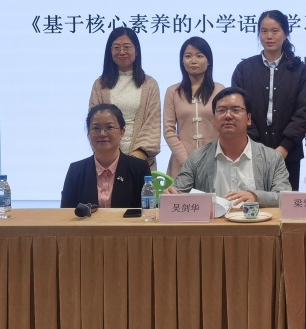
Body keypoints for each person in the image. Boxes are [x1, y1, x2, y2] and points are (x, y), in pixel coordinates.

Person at [164, 87, 292, 207]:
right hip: (214, 224)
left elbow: (284, 197)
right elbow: (177, 193)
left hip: (255, 223)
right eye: (221, 110)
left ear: (248, 119)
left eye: (236, 110)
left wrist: (256, 196)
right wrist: (170, 195)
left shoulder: (272, 158)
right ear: (214, 119)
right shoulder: (197, 158)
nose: (228, 115)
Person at [231, 10, 306, 189]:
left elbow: (303, 111)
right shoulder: (244, 68)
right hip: (249, 152)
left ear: (286, 33)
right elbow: (238, 109)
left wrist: (284, 148)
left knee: (286, 202)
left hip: (288, 154)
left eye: (275, 31)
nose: (269, 36)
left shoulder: (299, 70)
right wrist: (256, 148)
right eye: (264, 31)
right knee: (251, 201)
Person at [89, 27, 161, 169]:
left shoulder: (150, 84)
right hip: (107, 163)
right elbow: (94, 124)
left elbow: (152, 125)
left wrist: (132, 161)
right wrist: (114, 158)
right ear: (110, 51)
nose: (122, 52)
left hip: (141, 163)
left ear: (136, 50)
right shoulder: (100, 85)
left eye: (127, 47)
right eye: (116, 47)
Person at [61, 104, 151, 208]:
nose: (102, 133)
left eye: (109, 127)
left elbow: (148, 212)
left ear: (122, 132)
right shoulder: (76, 170)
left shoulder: (139, 168)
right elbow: (65, 213)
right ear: (88, 133)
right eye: (96, 128)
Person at [163, 37, 225, 178]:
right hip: (181, 165)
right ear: (182, 61)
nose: (193, 60)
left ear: (208, 61)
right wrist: (186, 162)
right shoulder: (173, 92)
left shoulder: (220, 90)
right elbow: (169, 131)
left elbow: (224, 127)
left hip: (214, 163)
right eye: (188, 56)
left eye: (199, 56)